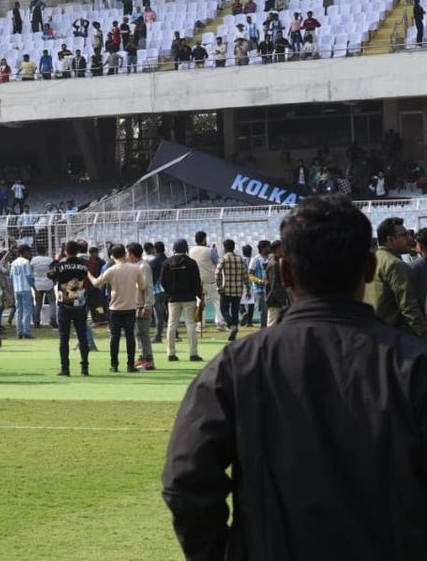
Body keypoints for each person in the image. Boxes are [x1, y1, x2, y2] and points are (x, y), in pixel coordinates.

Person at [162, 195, 427, 558]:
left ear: (285, 273)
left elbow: (185, 480)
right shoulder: (413, 365)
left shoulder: (236, 367)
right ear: (369, 268)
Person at [87, 245, 147, 373]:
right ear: (125, 254)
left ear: (112, 256)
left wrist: (89, 274)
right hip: (130, 307)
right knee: (130, 336)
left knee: (115, 338)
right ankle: (130, 365)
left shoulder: (111, 270)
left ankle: (114, 365)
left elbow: (97, 283)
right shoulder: (135, 269)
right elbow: (142, 286)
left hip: (115, 308)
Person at [365, 217, 427, 336]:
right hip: (391, 334)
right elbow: (408, 306)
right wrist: (423, 333)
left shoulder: (376, 258)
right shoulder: (395, 264)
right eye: (404, 235)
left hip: (373, 331)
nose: (409, 239)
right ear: (390, 239)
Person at [50, 242, 90, 376]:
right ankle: (85, 368)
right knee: (82, 336)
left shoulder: (60, 266)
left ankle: (65, 368)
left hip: (64, 304)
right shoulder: (84, 265)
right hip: (80, 303)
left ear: (65, 251)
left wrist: (56, 260)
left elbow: (50, 274)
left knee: (64, 338)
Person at [160, 239, 203, 362]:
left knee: (171, 324)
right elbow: (196, 281)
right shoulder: (191, 263)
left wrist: (169, 292)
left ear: (174, 249)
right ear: (186, 249)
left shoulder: (166, 263)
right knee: (191, 324)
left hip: (173, 298)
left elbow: (162, 281)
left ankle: (171, 353)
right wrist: (199, 296)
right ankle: (193, 353)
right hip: (189, 297)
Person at [214, 238, 248, 342]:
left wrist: (219, 286)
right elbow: (246, 275)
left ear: (225, 248)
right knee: (235, 311)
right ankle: (235, 328)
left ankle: (232, 326)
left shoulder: (223, 259)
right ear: (233, 247)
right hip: (238, 290)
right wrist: (248, 288)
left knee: (223, 310)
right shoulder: (241, 259)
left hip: (226, 290)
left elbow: (217, 273)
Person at [189, 231, 222, 332]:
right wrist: (215, 251)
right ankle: (219, 324)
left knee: (199, 302)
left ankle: (200, 325)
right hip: (211, 280)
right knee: (217, 301)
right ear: (204, 239)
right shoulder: (210, 250)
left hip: (197, 281)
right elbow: (218, 262)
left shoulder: (191, 251)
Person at [9, 240, 36, 339]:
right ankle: (26, 331)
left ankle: (19, 332)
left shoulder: (13, 263)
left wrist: (12, 288)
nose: (30, 255)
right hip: (25, 288)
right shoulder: (26, 262)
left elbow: (11, 277)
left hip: (17, 289)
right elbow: (29, 276)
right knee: (27, 310)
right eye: (29, 252)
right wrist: (34, 286)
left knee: (18, 310)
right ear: (25, 252)